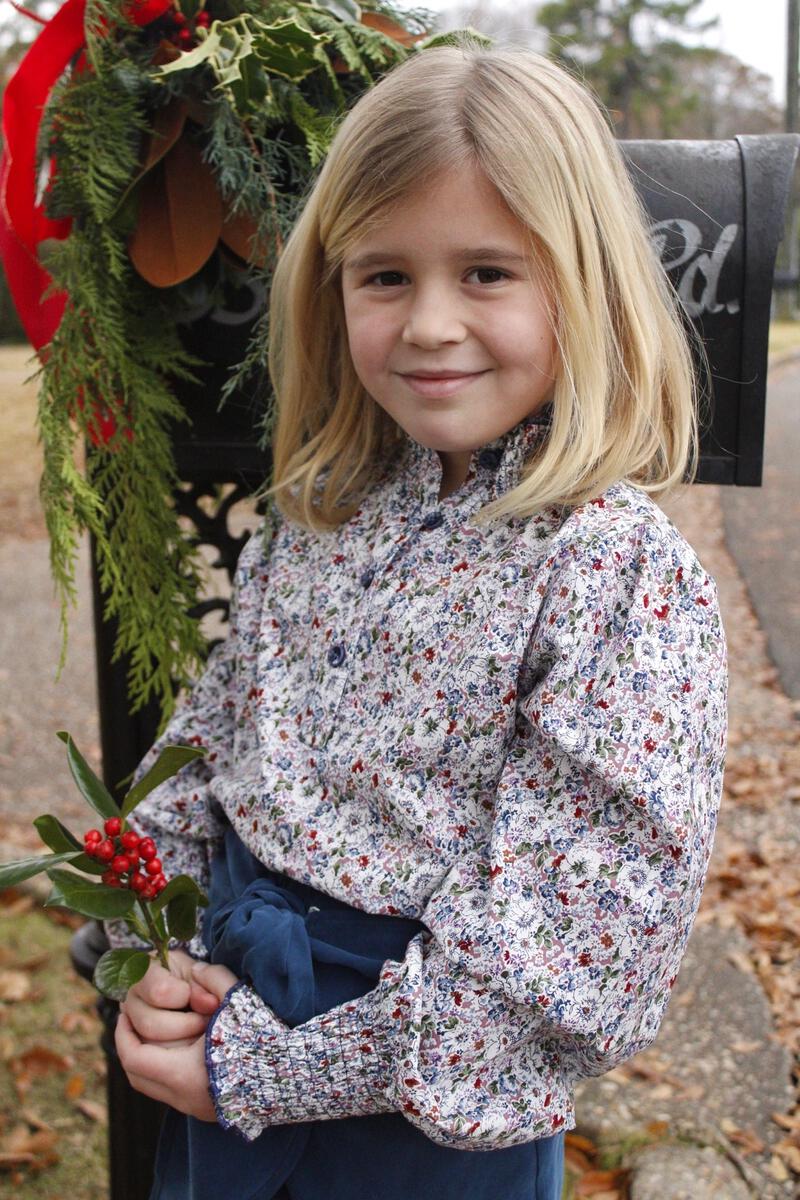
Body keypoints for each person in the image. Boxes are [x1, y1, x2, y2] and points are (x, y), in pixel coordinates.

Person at [111, 39, 728, 1200]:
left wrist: (280, 1068)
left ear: (583, 283)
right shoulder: (323, 509)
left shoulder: (608, 575)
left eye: (488, 273)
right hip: (233, 1004)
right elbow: (220, 734)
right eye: (383, 276)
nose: (429, 324)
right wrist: (152, 938)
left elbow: (574, 948)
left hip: (415, 1103)